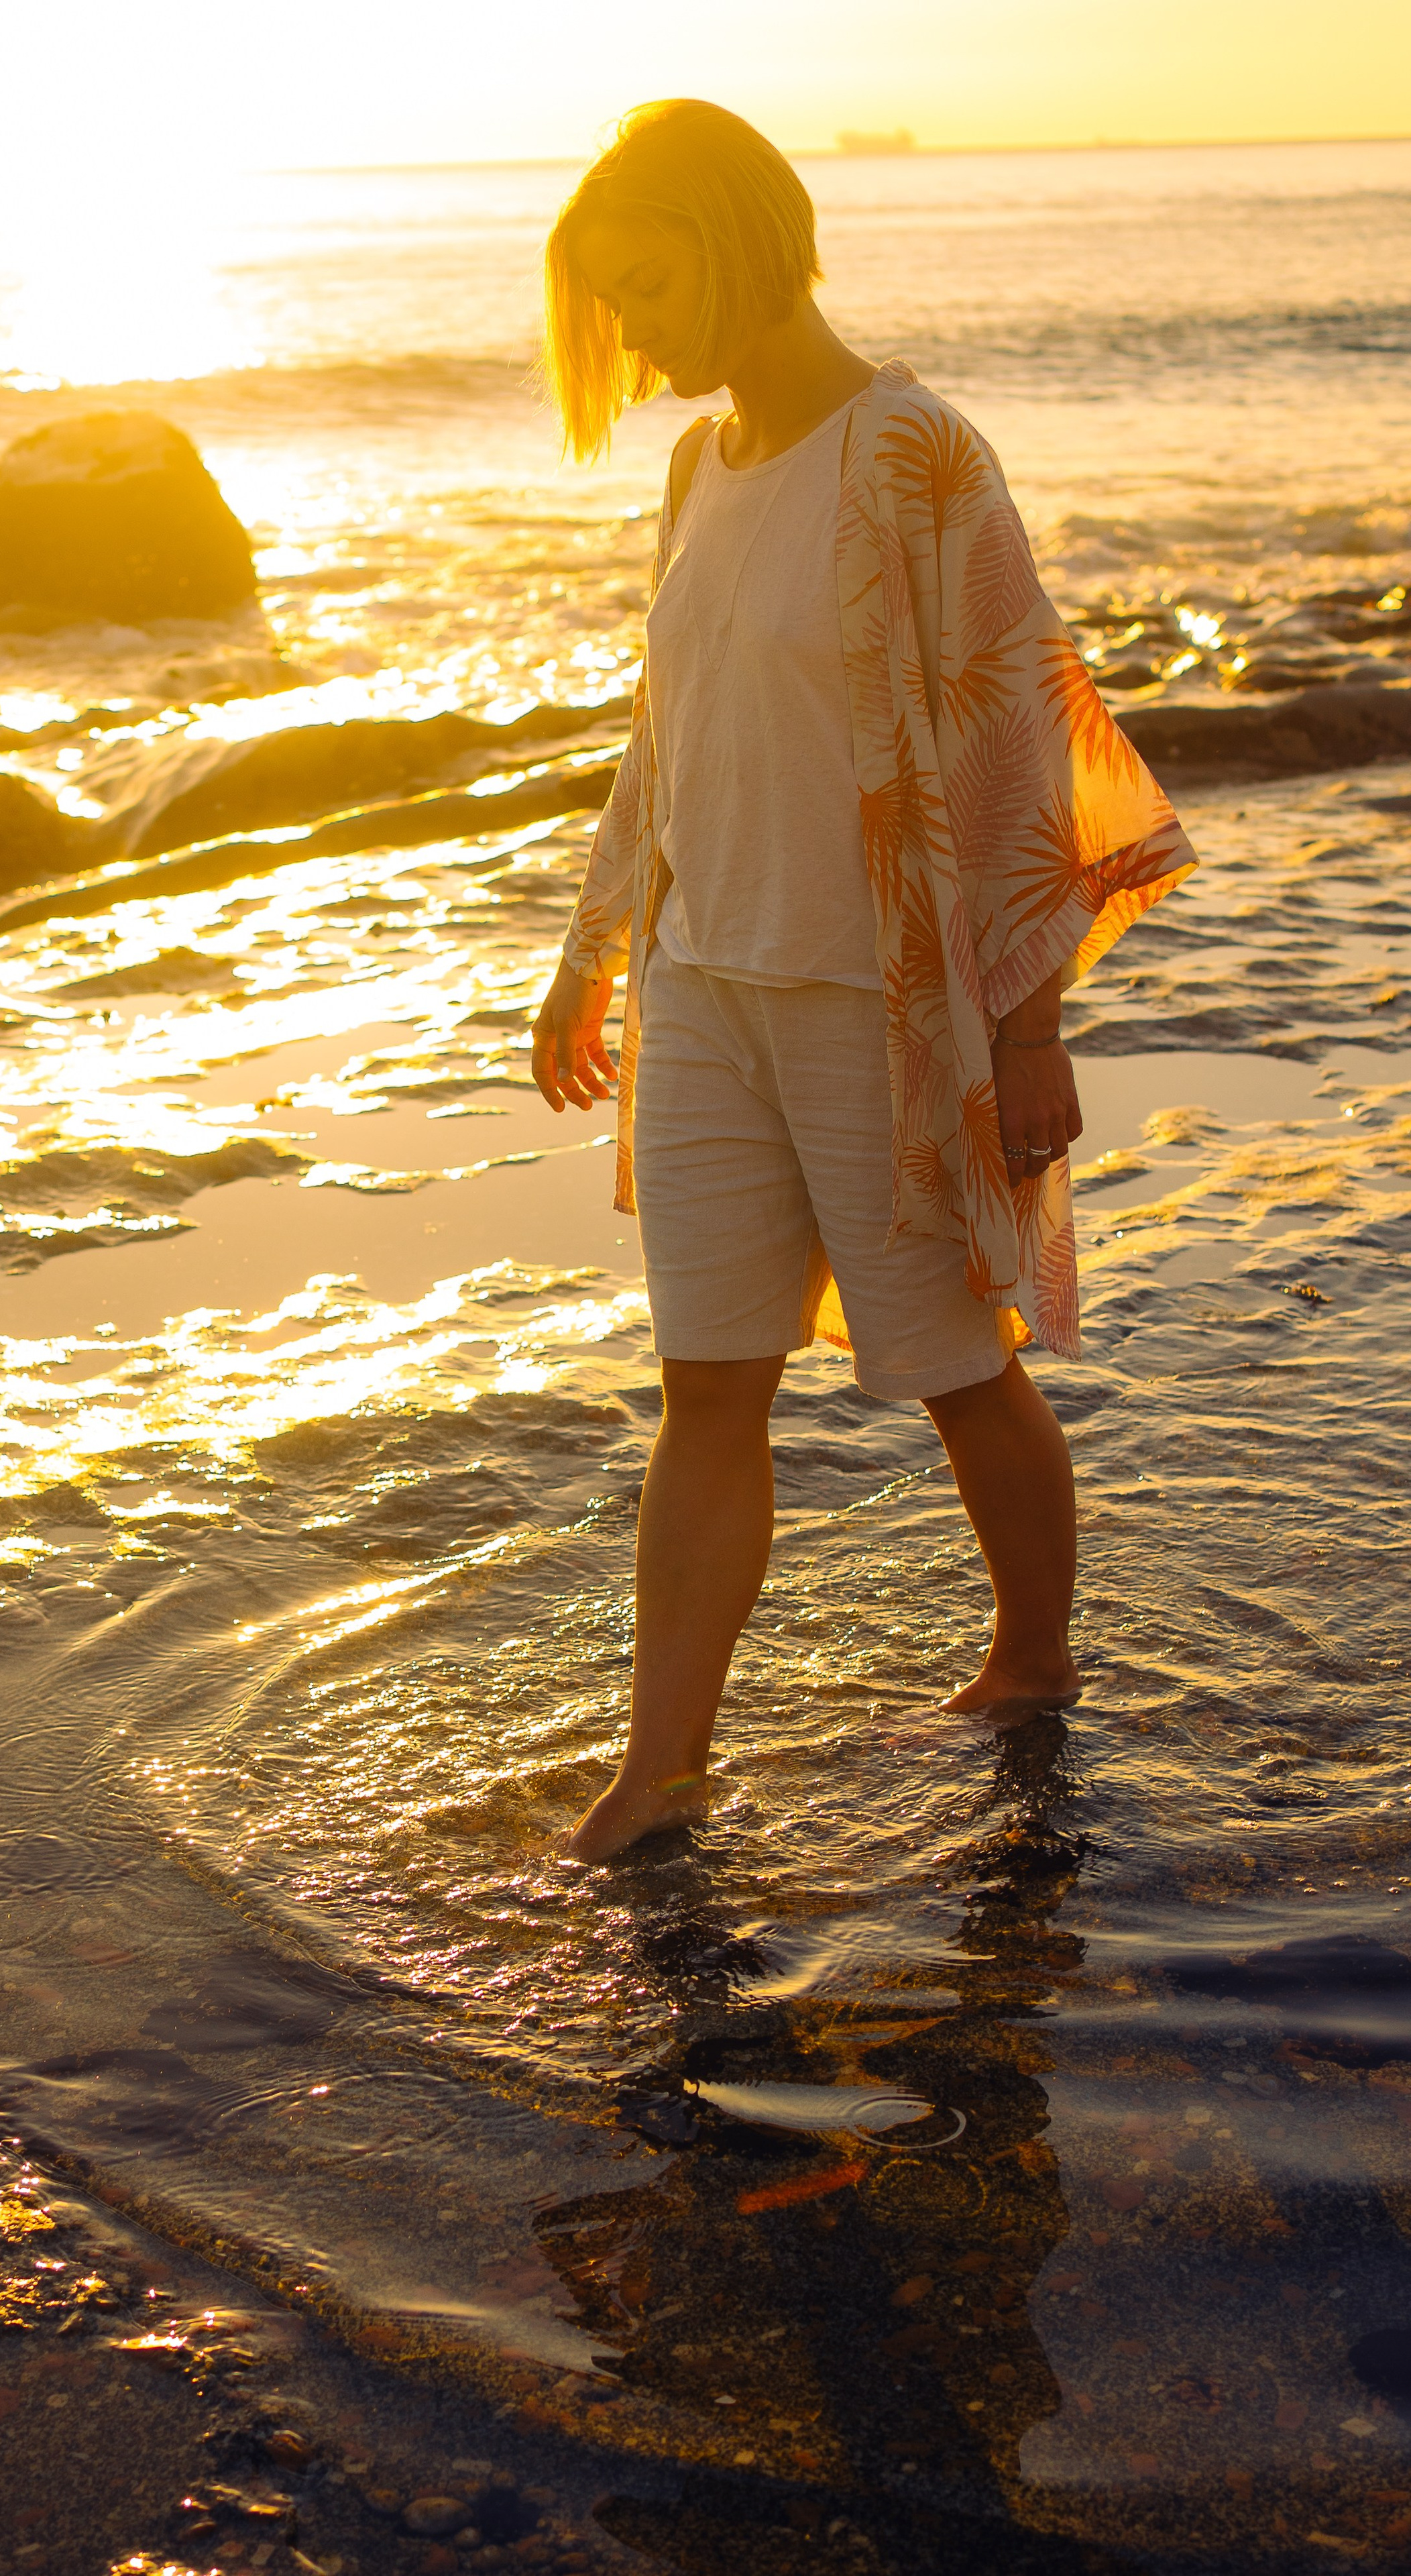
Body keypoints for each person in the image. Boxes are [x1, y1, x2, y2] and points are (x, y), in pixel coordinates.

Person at [531, 100, 1196, 1864]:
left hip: (867, 1003)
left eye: (653, 285)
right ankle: (661, 1764)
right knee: (708, 1384)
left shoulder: (914, 452)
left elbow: (1011, 729)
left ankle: (1034, 1657)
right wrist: (591, 954)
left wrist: (1032, 1026)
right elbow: (667, 738)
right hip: (707, 998)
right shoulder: (701, 468)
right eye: (616, 303)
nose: (643, 333)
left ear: (743, 236)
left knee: (956, 1367)